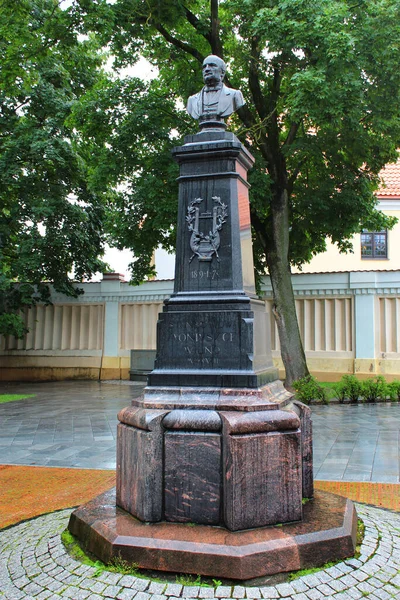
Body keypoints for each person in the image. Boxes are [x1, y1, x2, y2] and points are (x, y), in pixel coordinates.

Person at [186, 55, 245, 121]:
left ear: (222, 72)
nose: (207, 69)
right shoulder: (192, 100)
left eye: (212, 65)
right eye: (204, 67)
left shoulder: (235, 95)